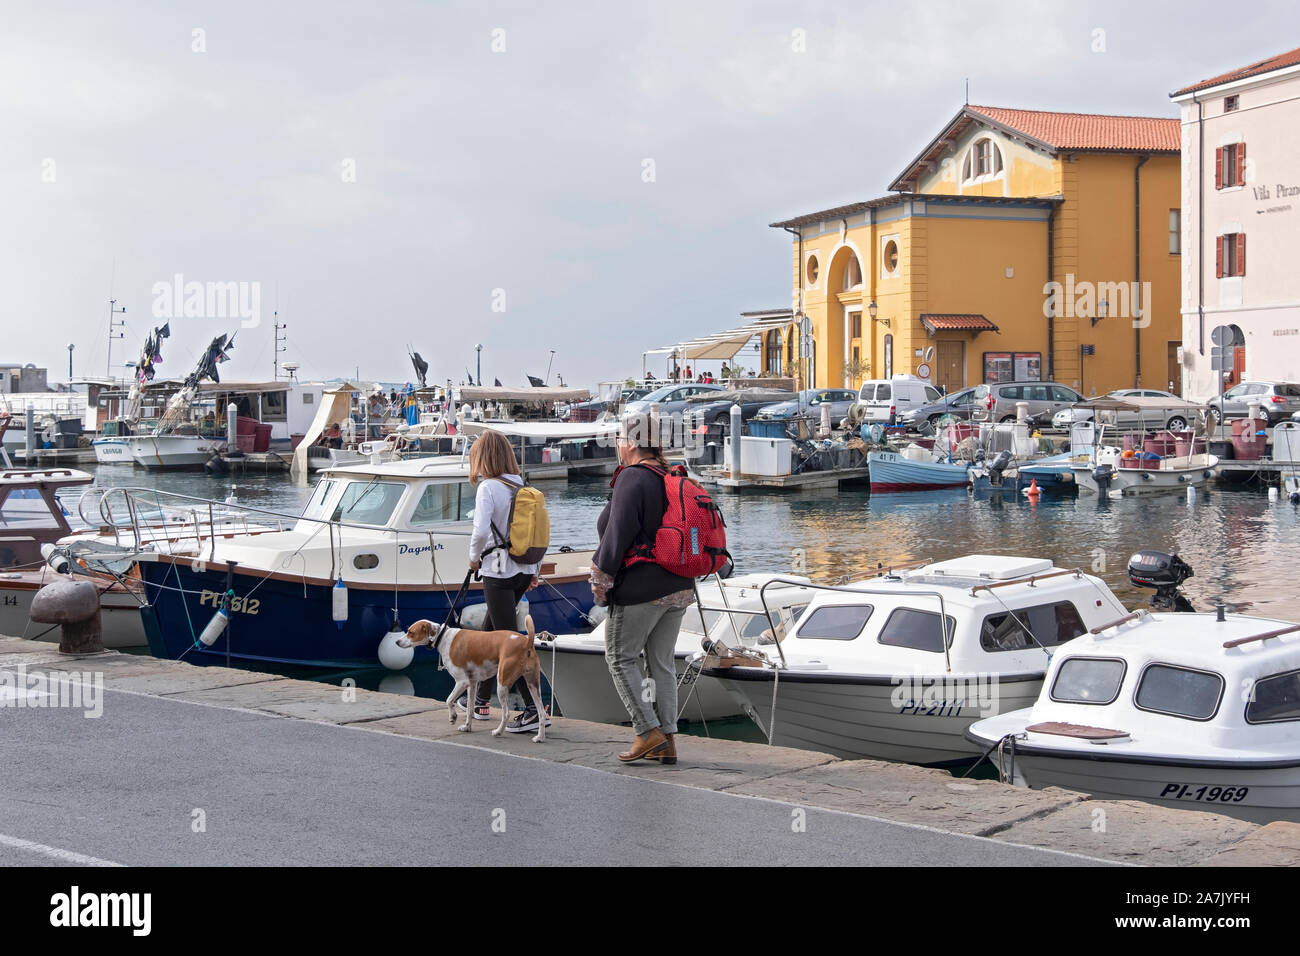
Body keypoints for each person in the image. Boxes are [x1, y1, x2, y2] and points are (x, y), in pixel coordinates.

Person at [590, 411, 694, 764]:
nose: (618, 444)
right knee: (661, 664)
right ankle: (667, 740)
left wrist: (600, 582)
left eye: (620, 438)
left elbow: (617, 537)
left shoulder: (633, 478)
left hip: (642, 589)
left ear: (632, 443)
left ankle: (646, 732)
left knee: (620, 657)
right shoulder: (669, 475)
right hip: (679, 587)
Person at [464, 429, 547, 733]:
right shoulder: (521, 484)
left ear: (482, 458)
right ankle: (481, 700)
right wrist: (535, 570)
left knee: (510, 642)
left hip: (498, 571)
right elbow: (536, 533)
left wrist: (474, 558)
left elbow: (481, 531)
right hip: (523, 570)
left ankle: (534, 709)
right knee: (491, 631)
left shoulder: (488, 487)